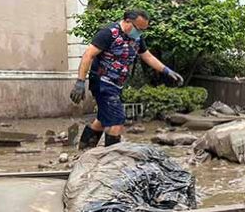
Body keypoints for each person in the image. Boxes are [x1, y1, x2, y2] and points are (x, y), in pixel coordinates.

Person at [69, 9, 183, 148]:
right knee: (117, 120)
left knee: (103, 118)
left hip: (117, 84)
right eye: (138, 29)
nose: (140, 33)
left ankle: (85, 149)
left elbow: (147, 56)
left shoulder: (137, 38)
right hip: (102, 82)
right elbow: (88, 55)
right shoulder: (108, 33)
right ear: (128, 21)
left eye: (143, 30)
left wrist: (167, 71)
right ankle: (113, 156)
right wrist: (80, 82)